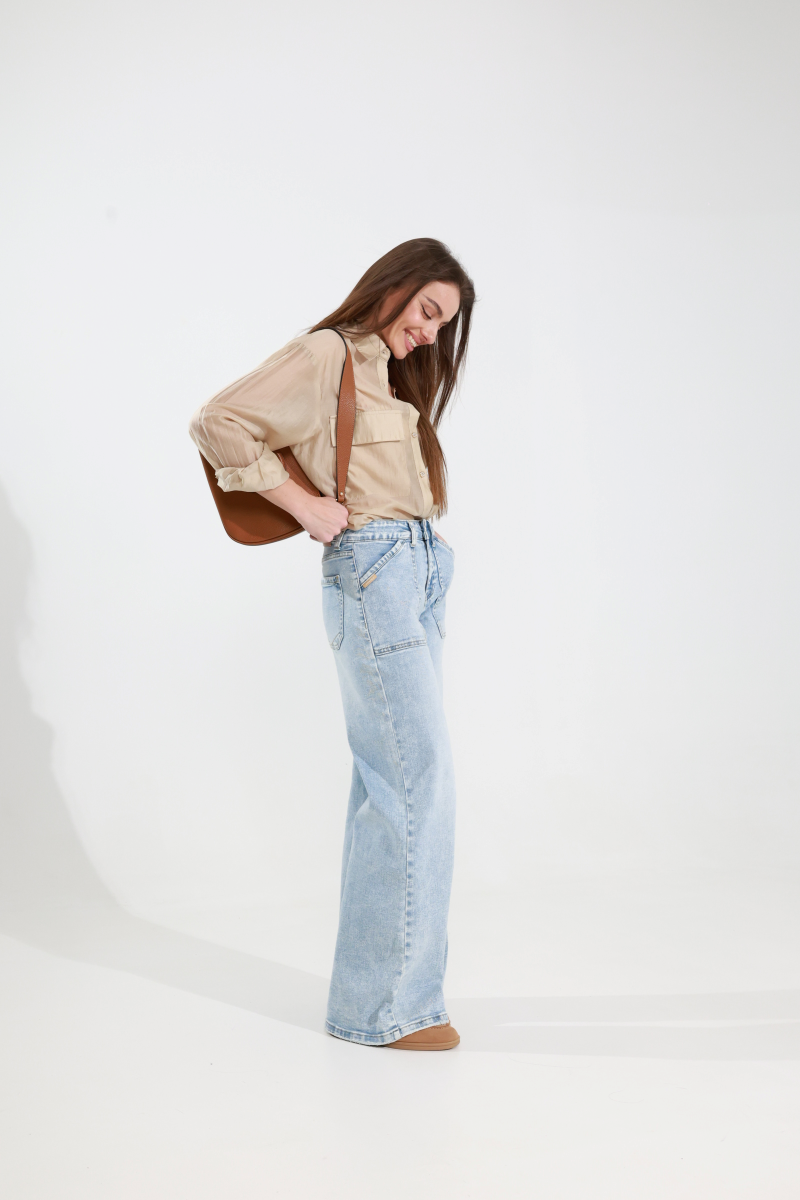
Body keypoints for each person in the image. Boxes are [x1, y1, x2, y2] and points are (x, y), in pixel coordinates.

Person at [189, 238, 475, 1049]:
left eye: (444, 324)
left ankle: (369, 1002)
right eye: (428, 311)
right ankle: (390, 1011)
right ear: (394, 287)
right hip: (375, 568)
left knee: (395, 779)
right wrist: (306, 506)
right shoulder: (328, 354)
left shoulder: (389, 374)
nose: (431, 333)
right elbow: (218, 421)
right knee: (415, 782)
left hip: (418, 568)